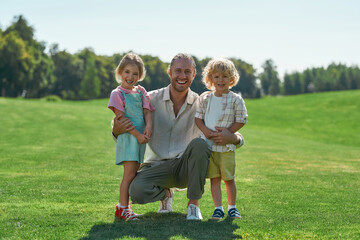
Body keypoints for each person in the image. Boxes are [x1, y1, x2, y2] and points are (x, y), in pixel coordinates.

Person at [112, 53, 244, 220]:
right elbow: (126, 124)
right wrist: (116, 130)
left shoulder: (202, 102)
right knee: (136, 192)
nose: (182, 76)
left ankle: (193, 206)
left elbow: (226, 130)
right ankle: (166, 194)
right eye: (178, 71)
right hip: (156, 167)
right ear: (170, 73)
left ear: (194, 74)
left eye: (187, 71)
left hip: (186, 167)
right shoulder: (149, 99)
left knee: (199, 145)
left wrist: (234, 138)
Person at [195, 58, 247, 220]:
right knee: (214, 179)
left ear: (231, 79)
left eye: (224, 77)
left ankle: (232, 207)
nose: (220, 80)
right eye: (216, 76)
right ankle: (218, 208)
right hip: (209, 147)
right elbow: (198, 119)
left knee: (228, 178)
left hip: (226, 148)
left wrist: (227, 134)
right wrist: (206, 131)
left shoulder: (236, 99)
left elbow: (241, 119)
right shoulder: (205, 98)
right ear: (210, 79)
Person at [108, 53, 155, 220]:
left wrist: (148, 127)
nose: (130, 77)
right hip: (129, 139)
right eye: (127, 72)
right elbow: (123, 121)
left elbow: (147, 112)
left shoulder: (141, 91)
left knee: (133, 174)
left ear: (140, 76)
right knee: (128, 175)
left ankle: (124, 208)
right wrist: (137, 135)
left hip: (140, 139)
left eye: (135, 74)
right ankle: (122, 208)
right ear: (120, 72)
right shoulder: (117, 93)